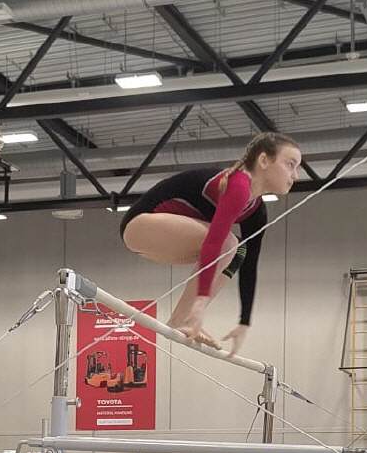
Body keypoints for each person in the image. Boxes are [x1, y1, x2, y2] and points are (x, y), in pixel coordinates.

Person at [120, 131, 301, 352]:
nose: (295, 175)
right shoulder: (237, 184)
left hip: (164, 241)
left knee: (240, 252)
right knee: (228, 244)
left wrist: (244, 322)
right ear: (263, 160)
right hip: (140, 225)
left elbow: (250, 266)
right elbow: (214, 243)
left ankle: (185, 319)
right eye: (290, 164)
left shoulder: (257, 212)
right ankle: (182, 318)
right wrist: (200, 303)